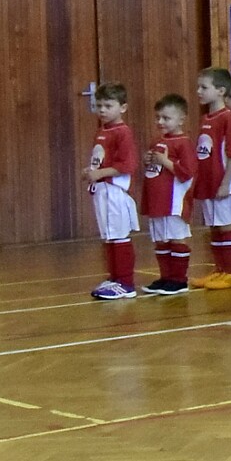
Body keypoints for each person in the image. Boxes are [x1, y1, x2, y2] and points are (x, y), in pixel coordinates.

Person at [191, 68, 231, 290]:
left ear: (221, 91)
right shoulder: (206, 118)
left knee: (226, 226)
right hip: (208, 181)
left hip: (223, 182)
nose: (199, 91)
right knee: (214, 227)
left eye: (204, 87)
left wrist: (226, 183)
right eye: (198, 87)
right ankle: (220, 269)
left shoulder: (227, 118)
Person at [85, 82, 142, 300]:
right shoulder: (102, 131)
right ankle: (115, 277)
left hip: (114, 190)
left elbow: (127, 164)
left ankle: (126, 282)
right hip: (102, 190)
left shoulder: (122, 132)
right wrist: (90, 172)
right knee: (109, 237)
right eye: (99, 105)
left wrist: (100, 174)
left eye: (108, 106)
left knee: (119, 236)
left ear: (123, 107)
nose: (102, 110)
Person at [140, 95, 197, 295]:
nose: (160, 122)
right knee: (161, 240)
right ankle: (165, 277)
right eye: (158, 117)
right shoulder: (157, 141)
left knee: (176, 238)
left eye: (166, 118)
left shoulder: (184, 142)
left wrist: (165, 161)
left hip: (174, 202)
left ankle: (179, 279)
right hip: (157, 201)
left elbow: (187, 172)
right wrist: (148, 159)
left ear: (181, 119)